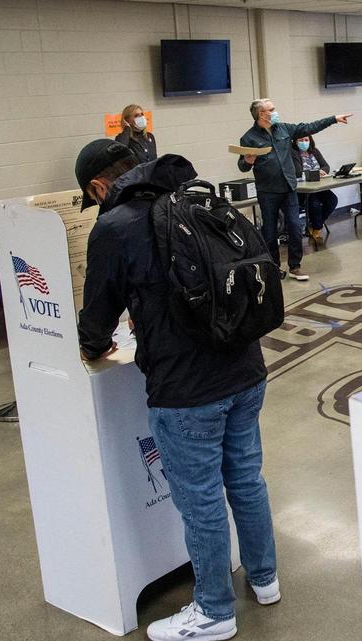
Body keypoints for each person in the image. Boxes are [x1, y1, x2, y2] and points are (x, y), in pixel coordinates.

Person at [76, 140, 281, 641]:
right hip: (246, 369)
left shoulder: (114, 226)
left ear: (99, 187)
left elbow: (98, 316)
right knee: (246, 480)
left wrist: (94, 346)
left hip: (186, 389)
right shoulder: (196, 198)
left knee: (202, 499)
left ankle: (214, 611)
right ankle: (264, 579)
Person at [238, 98, 351, 281]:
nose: (275, 111)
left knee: (295, 226)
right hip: (267, 191)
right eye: (272, 109)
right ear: (262, 114)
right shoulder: (249, 138)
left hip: (289, 187)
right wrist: (248, 160)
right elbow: (242, 166)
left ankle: (295, 266)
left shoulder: (284, 129)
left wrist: (333, 119)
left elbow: (309, 127)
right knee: (269, 231)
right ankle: (273, 268)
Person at [290, 134, 337, 244]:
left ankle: (314, 225)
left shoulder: (314, 151)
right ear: (295, 142)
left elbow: (326, 166)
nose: (304, 142)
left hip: (318, 186)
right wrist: (316, 172)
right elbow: (298, 172)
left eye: (306, 140)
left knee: (332, 200)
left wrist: (322, 171)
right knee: (314, 205)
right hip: (304, 190)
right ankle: (317, 228)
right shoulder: (293, 153)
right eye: (301, 140)